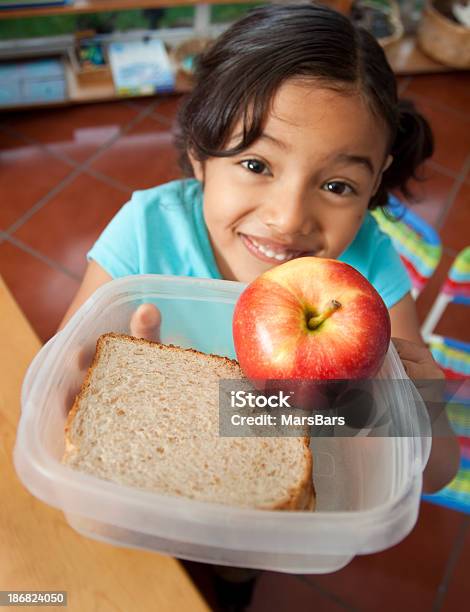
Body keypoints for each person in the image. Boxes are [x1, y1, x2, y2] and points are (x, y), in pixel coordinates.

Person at [58, 4, 459, 607]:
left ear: (374, 188)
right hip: (145, 499)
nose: (289, 217)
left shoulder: (367, 269)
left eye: (337, 185)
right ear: (200, 153)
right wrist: (99, 392)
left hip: (268, 511)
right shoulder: (146, 229)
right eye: (255, 164)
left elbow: (433, 471)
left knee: (235, 575)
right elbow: (55, 393)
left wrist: (411, 415)